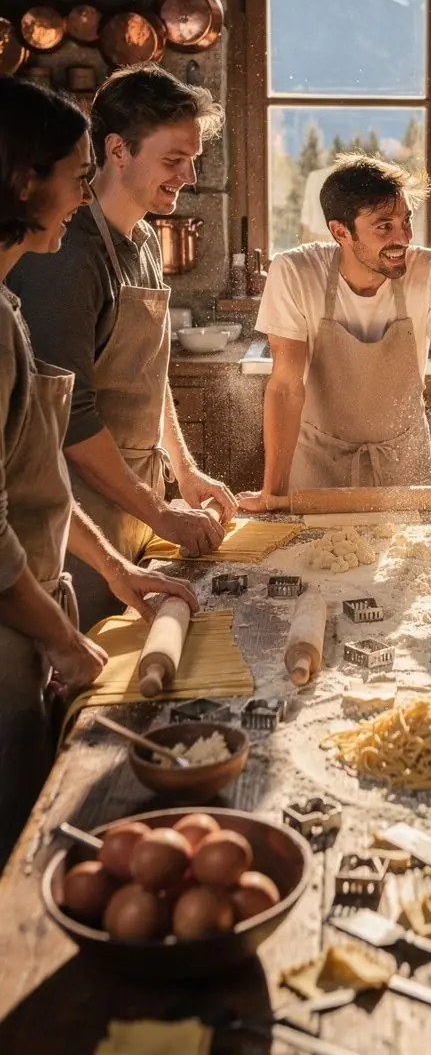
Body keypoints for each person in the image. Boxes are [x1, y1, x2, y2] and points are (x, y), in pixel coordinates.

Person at [0, 75, 197, 864]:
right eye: (75, 177)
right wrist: (60, 638)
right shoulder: (54, 269)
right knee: (22, 830)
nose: (83, 197)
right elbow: (36, 478)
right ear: (23, 182)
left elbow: (33, 468)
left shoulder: (13, 307)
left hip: (52, 574)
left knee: (40, 798)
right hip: (18, 609)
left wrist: (119, 567)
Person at [8, 64, 237, 631]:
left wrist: (185, 475)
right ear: (118, 150)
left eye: (193, 158)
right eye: (173, 159)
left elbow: (147, 375)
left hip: (139, 501)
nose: (189, 175)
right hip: (84, 514)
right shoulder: (64, 254)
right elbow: (70, 416)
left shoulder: (143, 242)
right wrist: (159, 511)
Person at [239, 152, 431, 502]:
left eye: (406, 221)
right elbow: (286, 385)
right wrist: (273, 494)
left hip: (405, 461)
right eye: (383, 226)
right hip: (318, 463)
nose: (402, 238)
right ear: (340, 231)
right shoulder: (295, 272)